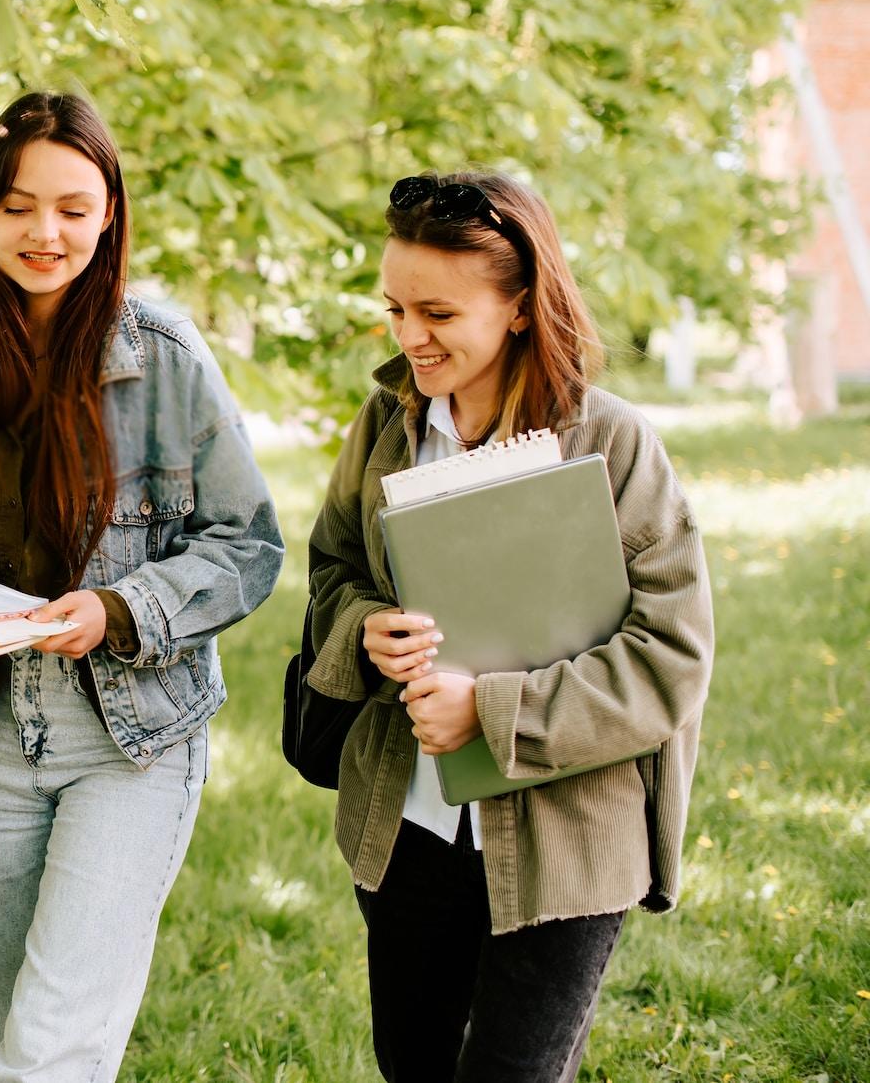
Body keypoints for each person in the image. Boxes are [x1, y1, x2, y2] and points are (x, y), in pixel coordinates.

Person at [0, 91, 284, 1082]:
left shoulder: (168, 360)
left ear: (110, 215)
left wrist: (121, 610)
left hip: (131, 737)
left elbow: (249, 543)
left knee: (50, 1049)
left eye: (74, 207)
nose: (46, 231)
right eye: (18, 206)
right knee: (2, 1029)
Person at [305, 169, 715, 1082]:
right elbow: (330, 570)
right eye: (396, 307)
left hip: (568, 847)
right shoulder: (383, 427)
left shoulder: (613, 445)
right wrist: (368, 633)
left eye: (439, 314)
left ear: (522, 307)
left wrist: (494, 713)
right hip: (409, 834)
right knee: (412, 1065)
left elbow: (671, 655)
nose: (410, 335)